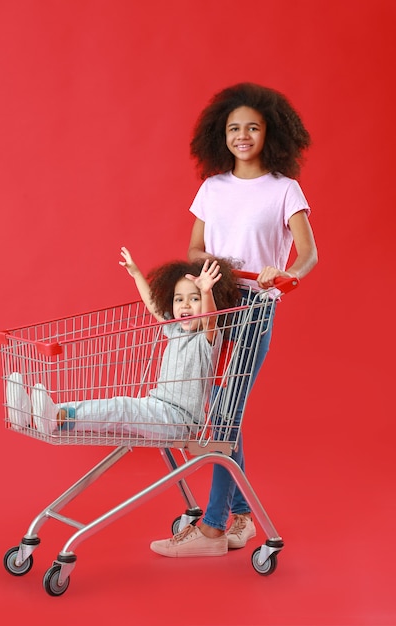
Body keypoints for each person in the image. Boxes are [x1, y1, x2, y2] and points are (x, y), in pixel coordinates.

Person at [150, 82, 318, 558]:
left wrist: (285, 274)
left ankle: (214, 529)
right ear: (219, 135)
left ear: (271, 133)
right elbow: (194, 251)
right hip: (214, 303)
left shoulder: (285, 189)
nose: (242, 136)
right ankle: (241, 517)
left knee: (225, 413)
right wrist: (213, 273)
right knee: (217, 409)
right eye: (233, 128)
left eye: (253, 128)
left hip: (255, 307)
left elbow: (308, 254)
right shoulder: (212, 188)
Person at [6, 247, 240, 440]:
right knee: (117, 406)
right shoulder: (175, 329)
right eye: (179, 300)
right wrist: (136, 273)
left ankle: (55, 418)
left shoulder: (207, 339)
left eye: (194, 299)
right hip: (157, 406)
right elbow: (154, 306)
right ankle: (36, 416)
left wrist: (206, 291)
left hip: (180, 420)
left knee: (122, 407)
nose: (185, 306)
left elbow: (210, 319)